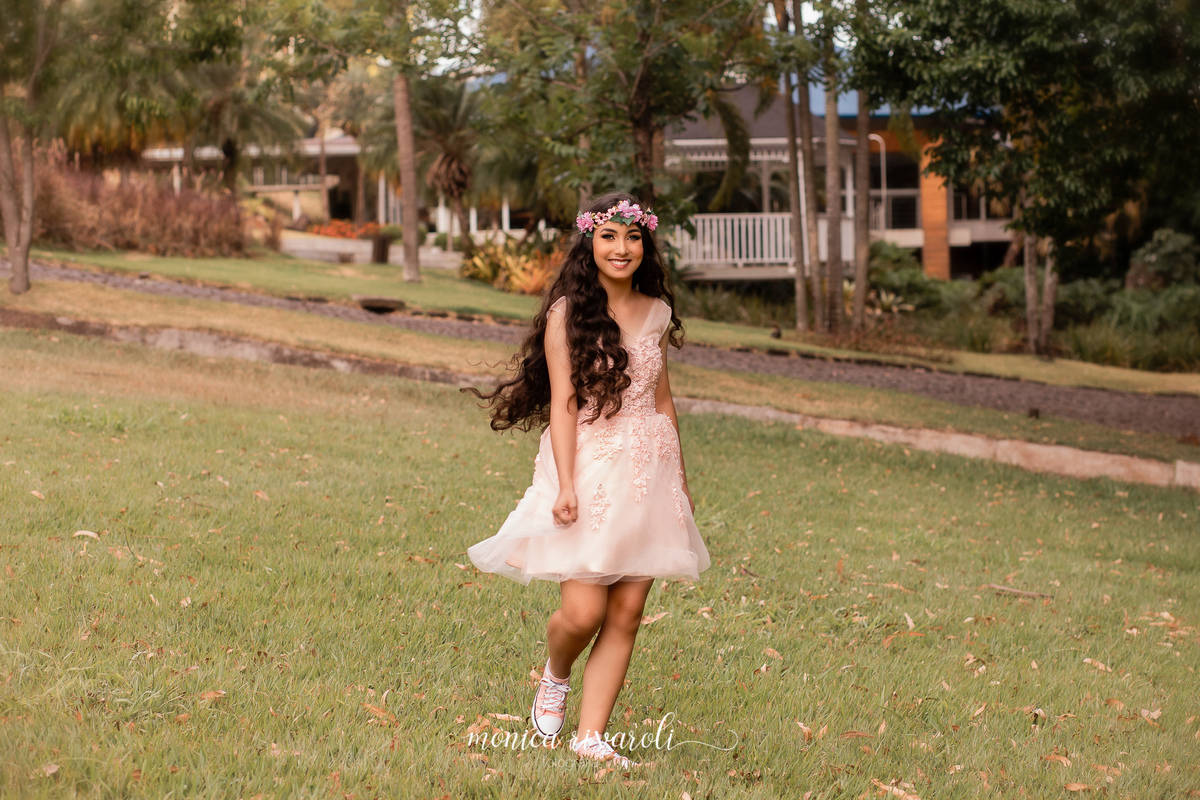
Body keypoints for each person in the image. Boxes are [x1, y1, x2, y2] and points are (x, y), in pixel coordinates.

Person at [463, 192, 710, 768]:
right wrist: (567, 484)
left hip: (649, 470)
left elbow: (662, 400)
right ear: (589, 243)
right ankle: (555, 674)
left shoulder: (657, 312)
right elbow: (565, 403)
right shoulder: (567, 313)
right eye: (609, 237)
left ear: (645, 244)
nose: (621, 248)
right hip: (590, 465)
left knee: (625, 613)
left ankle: (590, 737)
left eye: (632, 237)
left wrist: (680, 480)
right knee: (583, 614)